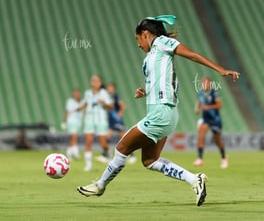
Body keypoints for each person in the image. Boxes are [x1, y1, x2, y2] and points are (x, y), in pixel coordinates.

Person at [77, 15, 239, 206]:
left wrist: (219, 70)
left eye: (137, 39)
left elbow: (192, 54)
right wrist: (145, 92)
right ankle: (194, 179)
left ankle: (100, 185)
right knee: (150, 160)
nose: (138, 45)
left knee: (121, 148)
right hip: (163, 113)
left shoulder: (163, 42)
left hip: (162, 113)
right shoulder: (149, 59)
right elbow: (166, 82)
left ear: (144, 34)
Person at [193, 76, 228, 169]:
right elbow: (199, 103)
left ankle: (224, 157)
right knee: (201, 136)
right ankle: (200, 159)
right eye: (203, 83)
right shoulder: (200, 94)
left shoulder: (214, 93)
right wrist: (197, 109)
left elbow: (219, 104)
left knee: (217, 140)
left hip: (215, 120)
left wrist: (208, 107)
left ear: (210, 84)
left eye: (207, 83)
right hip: (205, 119)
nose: (205, 84)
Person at [80, 75, 113, 171]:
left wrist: (105, 103)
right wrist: (83, 112)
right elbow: (85, 104)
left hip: (101, 120)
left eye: (97, 81)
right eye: (94, 81)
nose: (95, 83)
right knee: (88, 141)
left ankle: (108, 154)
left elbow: (110, 106)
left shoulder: (104, 93)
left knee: (103, 143)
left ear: (101, 83)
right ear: (91, 82)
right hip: (89, 119)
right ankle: (88, 165)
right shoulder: (88, 93)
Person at [106, 82, 137, 164]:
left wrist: (119, 114)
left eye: (111, 87)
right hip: (111, 121)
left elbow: (123, 105)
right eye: (108, 87)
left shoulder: (116, 96)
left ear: (114, 89)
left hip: (117, 120)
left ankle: (132, 155)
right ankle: (107, 155)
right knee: (107, 137)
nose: (109, 89)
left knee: (123, 138)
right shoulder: (107, 97)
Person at [62, 88, 83, 160]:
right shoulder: (70, 101)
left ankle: (68, 154)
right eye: (75, 93)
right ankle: (76, 153)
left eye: (78, 93)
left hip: (78, 122)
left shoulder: (82, 102)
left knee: (72, 139)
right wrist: (64, 122)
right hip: (71, 121)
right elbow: (66, 112)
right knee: (74, 137)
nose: (77, 94)